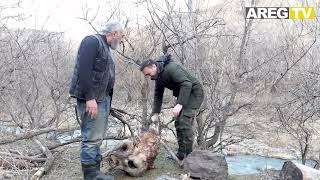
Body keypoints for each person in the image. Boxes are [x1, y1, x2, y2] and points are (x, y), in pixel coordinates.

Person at [69, 22, 124, 180]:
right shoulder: (92, 41)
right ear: (114, 33)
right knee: (91, 137)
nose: (122, 39)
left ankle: (96, 172)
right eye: (121, 35)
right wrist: (90, 98)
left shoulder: (105, 47)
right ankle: (91, 175)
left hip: (102, 98)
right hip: (92, 99)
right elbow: (83, 70)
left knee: (97, 137)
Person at [140, 54, 204, 160]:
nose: (149, 77)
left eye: (149, 73)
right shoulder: (158, 76)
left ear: (153, 67)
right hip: (184, 94)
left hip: (194, 93)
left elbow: (187, 84)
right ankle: (181, 153)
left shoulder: (171, 68)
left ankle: (189, 155)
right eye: (147, 75)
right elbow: (158, 94)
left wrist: (180, 104)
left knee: (184, 121)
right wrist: (155, 113)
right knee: (178, 122)